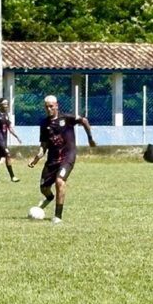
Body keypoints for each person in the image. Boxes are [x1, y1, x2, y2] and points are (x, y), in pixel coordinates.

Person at [28, 95, 96, 224]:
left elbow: (84, 121)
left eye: (51, 106)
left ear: (57, 105)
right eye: (46, 107)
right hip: (52, 159)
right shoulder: (44, 123)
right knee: (44, 188)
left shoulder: (67, 119)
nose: (49, 109)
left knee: (60, 181)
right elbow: (44, 146)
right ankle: (49, 198)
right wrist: (36, 159)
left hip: (67, 156)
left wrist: (90, 138)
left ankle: (57, 216)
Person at [0, 98, 22, 182]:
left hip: (4, 138)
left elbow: (9, 127)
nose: (6, 105)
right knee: (7, 154)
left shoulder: (6, 114)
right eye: (4, 103)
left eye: (7, 103)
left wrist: (17, 137)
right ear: (0, 104)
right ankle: (12, 177)